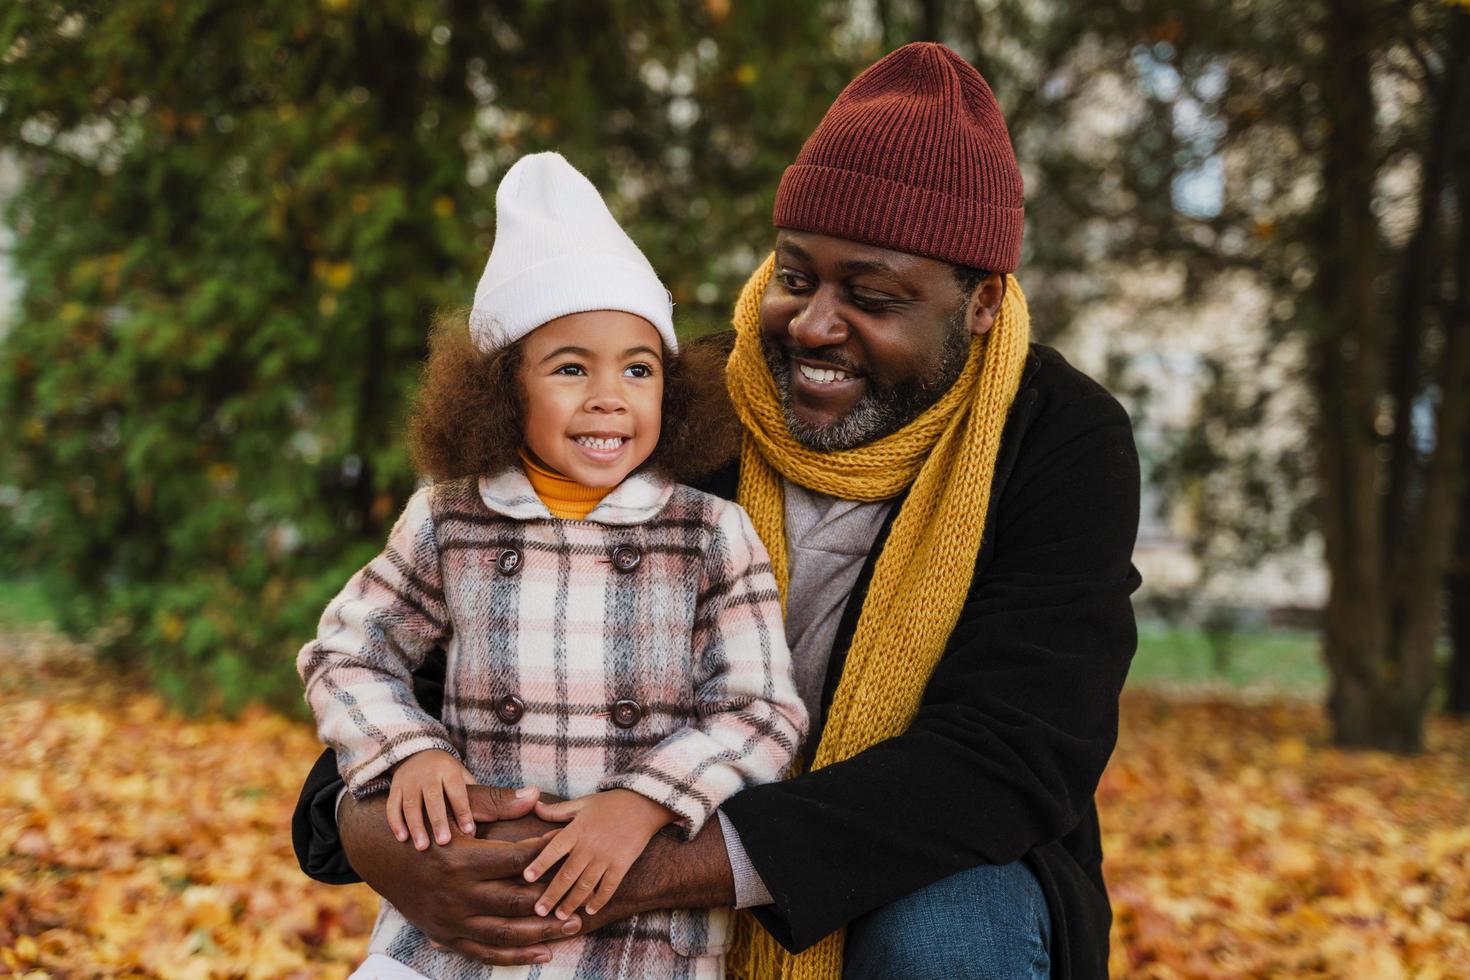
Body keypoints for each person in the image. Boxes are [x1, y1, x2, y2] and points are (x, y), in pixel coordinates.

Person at [294, 42, 1140, 980]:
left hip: (915, 861)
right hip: (592, 828)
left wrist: (653, 864)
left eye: (872, 295)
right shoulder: (668, 400)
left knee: (944, 936)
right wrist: (382, 832)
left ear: (980, 302)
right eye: (794, 275)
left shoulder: (1057, 439)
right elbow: (449, 635)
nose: (815, 324)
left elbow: (1011, 754)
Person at [297, 151, 807, 979]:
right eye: (571, 367)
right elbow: (347, 652)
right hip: (463, 926)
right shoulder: (450, 518)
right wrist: (408, 753)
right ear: (501, 390)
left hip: (641, 937)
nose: (610, 396)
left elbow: (761, 711)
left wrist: (644, 802)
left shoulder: (712, 534)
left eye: (638, 369)